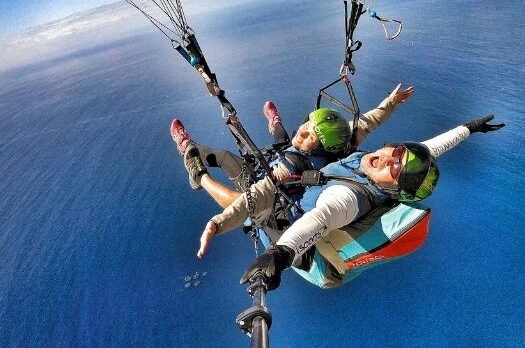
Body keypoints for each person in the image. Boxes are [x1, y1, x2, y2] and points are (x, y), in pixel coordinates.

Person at [194, 115, 504, 290]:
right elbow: (432, 147)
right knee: (284, 160)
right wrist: (469, 129)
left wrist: (278, 254)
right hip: (304, 194)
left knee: (247, 197)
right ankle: (273, 127)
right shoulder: (374, 164)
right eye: (395, 151)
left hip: (292, 231)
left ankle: (199, 177)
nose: (385, 159)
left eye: (393, 169)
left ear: (395, 191)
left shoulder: (350, 197)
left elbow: (322, 218)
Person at [171, 84, 415, 209]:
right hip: (289, 155)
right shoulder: (343, 140)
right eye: (309, 121)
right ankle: (273, 122)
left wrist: (203, 178)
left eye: (311, 135)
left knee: (223, 156)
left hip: (264, 181)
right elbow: (370, 120)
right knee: (284, 138)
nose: (304, 129)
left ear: (319, 148)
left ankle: (189, 152)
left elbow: (239, 203)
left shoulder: (287, 170)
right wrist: (391, 101)